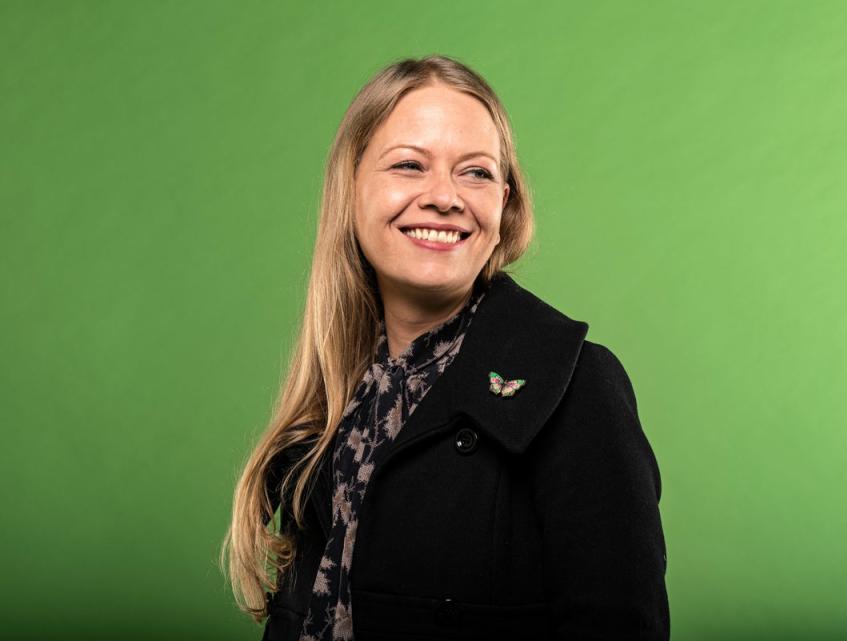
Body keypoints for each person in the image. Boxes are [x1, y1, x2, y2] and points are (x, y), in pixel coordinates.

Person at [221, 54, 669, 641]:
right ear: (350, 189)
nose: (444, 197)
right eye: (409, 165)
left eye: (476, 172)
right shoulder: (336, 393)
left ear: (505, 200)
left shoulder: (578, 384)